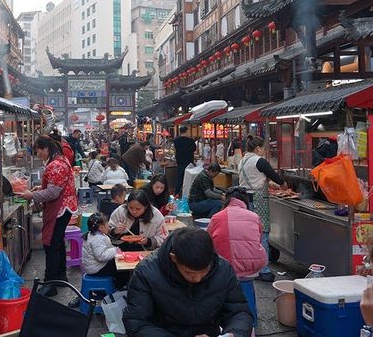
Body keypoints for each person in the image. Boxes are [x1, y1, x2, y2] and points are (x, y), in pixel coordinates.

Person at [123, 227, 253, 337]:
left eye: (204, 271)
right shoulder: (147, 272)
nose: (197, 279)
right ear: (174, 258)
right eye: (190, 273)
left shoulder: (223, 269)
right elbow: (136, 322)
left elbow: (239, 312)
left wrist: (233, 333)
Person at [15, 135, 78, 296]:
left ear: (46, 148)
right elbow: (52, 187)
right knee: (57, 243)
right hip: (64, 207)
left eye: (38, 151)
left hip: (60, 208)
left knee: (50, 244)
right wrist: (38, 190)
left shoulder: (56, 164)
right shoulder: (60, 160)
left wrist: (32, 195)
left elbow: (52, 192)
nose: (38, 155)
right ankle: (60, 276)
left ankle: (50, 284)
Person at [238, 136, 287, 282]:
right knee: (262, 234)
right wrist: (283, 184)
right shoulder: (259, 161)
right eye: (263, 148)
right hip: (259, 200)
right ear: (258, 148)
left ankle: (251, 265)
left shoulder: (243, 160)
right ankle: (263, 270)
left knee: (251, 235)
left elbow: (254, 177)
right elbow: (275, 176)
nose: (264, 151)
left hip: (245, 199)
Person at [208, 188, 266, 281]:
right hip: (254, 265)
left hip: (226, 267)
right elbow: (259, 240)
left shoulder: (217, 217)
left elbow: (209, 242)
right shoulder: (254, 216)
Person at [173, 125, 196, 198]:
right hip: (189, 164)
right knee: (189, 181)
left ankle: (176, 195)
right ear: (186, 131)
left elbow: (175, 150)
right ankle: (188, 196)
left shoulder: (176, 140)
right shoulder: (191, 141)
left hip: (180, 163)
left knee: (179, 180)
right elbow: (194, 149)